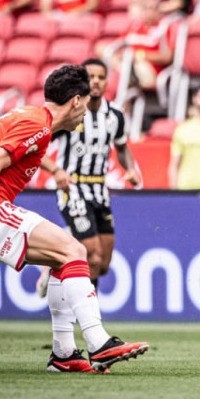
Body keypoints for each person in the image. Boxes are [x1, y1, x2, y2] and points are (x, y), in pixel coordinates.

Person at [0, 65, 149, 374]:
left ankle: (64, 355)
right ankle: (99, 343)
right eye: (85, 102)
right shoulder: (38, 124)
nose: (86, 112)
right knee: (76, 251)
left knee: (62, 260)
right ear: (75, 101)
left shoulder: (31, 118)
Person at [37, 58, 140, 297]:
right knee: (91, 256)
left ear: (106, 82)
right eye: (90, 77)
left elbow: (122, 147)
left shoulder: (115, 115)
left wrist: (130, 169)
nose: (95, 81)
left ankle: (54, 264)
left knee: (102, 264)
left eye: (100, 77)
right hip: (73, 187)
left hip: (99, 191)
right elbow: (37, 147)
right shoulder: (69, 113)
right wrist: (57, 170)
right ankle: (89, 320)